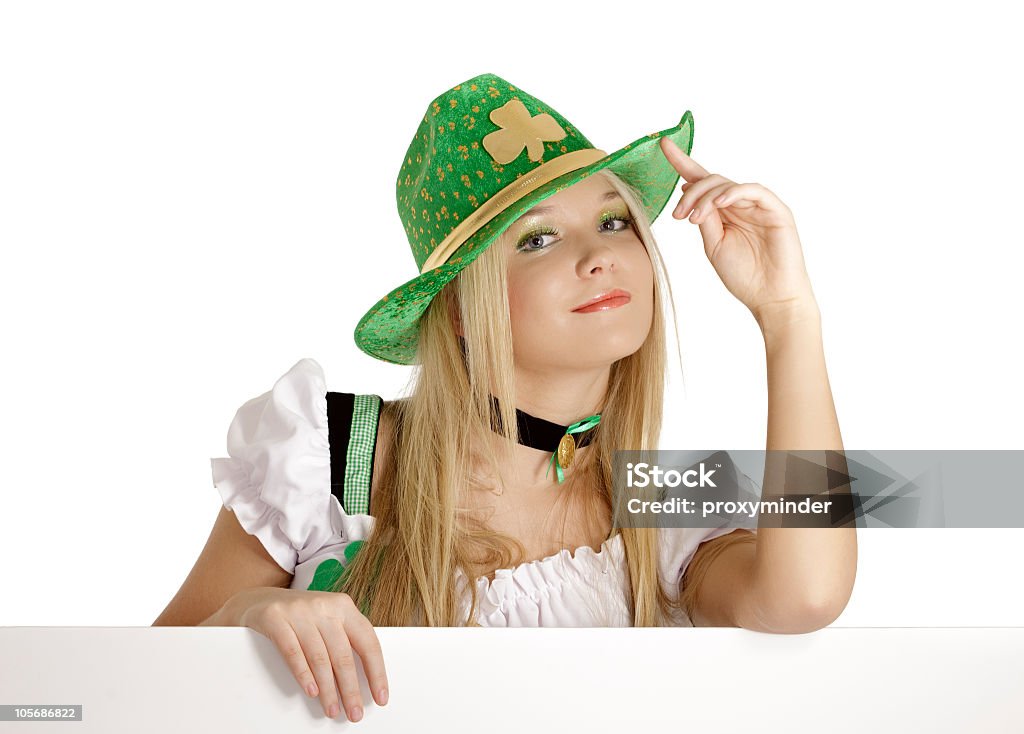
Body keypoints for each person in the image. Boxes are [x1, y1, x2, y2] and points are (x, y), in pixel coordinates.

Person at [153, 72, 856, 723]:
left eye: (614, 221)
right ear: (461, 309)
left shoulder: (659, 504)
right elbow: (135, 691)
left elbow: (805, 596)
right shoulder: (334, 458)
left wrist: (788, 315)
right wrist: (246, 616)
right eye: (539, 237)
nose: (598, 255)